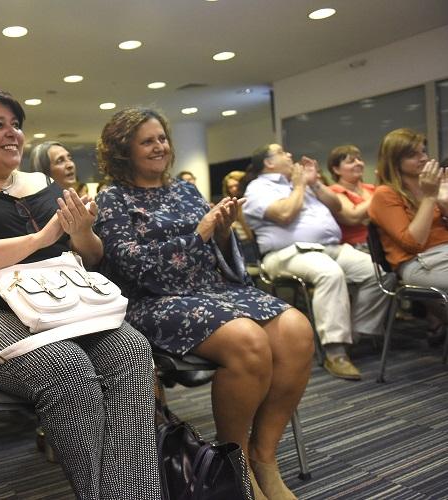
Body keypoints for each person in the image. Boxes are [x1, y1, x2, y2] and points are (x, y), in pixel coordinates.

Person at [0, 88, 160, 500]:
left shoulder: (44, 184)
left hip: (62, 309)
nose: (13, 133)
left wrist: (82, 231)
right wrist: (38, 238)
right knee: (67, 370)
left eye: (16, 125)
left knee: (133, 351)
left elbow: (91, 256)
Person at [94, 108, 313, 500]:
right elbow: (135, 268)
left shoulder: (184, 189)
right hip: (156, 301)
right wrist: (200, 233)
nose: (160, 146)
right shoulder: (112, 198)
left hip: (212, 292)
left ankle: (265, 457)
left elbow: (220, 252)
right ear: (124, 150)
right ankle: (235, 464)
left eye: (162, 138)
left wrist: (224, 231)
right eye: (147, 141)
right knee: (248, 341)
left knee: (296, 329)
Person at [243, 143, 390, 381]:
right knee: (330, 273)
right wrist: (300, 185)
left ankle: (355, 333)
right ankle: (336, 352)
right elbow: (284, 214)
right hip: (286, 253)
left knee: (380, 272)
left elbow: (336, 206)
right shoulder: (258, 188)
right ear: (268, 163)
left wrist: (315, 183)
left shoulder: (301, 183)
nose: (290, 154)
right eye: (282, 153)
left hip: (330, 247)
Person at [368, 128, 448, 339]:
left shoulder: (430, 187)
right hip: (417, 263)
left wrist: (445, 203)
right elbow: (413, 243)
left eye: (423, 151)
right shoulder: (385, 194)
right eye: (413, 155)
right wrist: (431, 198)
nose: (423, 158)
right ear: (395, 161)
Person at [327, 145, 375, 250]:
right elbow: (353, 216)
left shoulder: (373, 189)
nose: (358, 163)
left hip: (383, 243)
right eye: (351, 161)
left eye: (359, 159)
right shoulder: (333, 191)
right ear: (336, 169)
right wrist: (380, 195)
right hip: (356, 247)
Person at [222, 171, 253, 242]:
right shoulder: (230, 205)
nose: (234, 189)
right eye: (230, 187)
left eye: (236, 185)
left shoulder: (252, 198)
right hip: (245, 242)